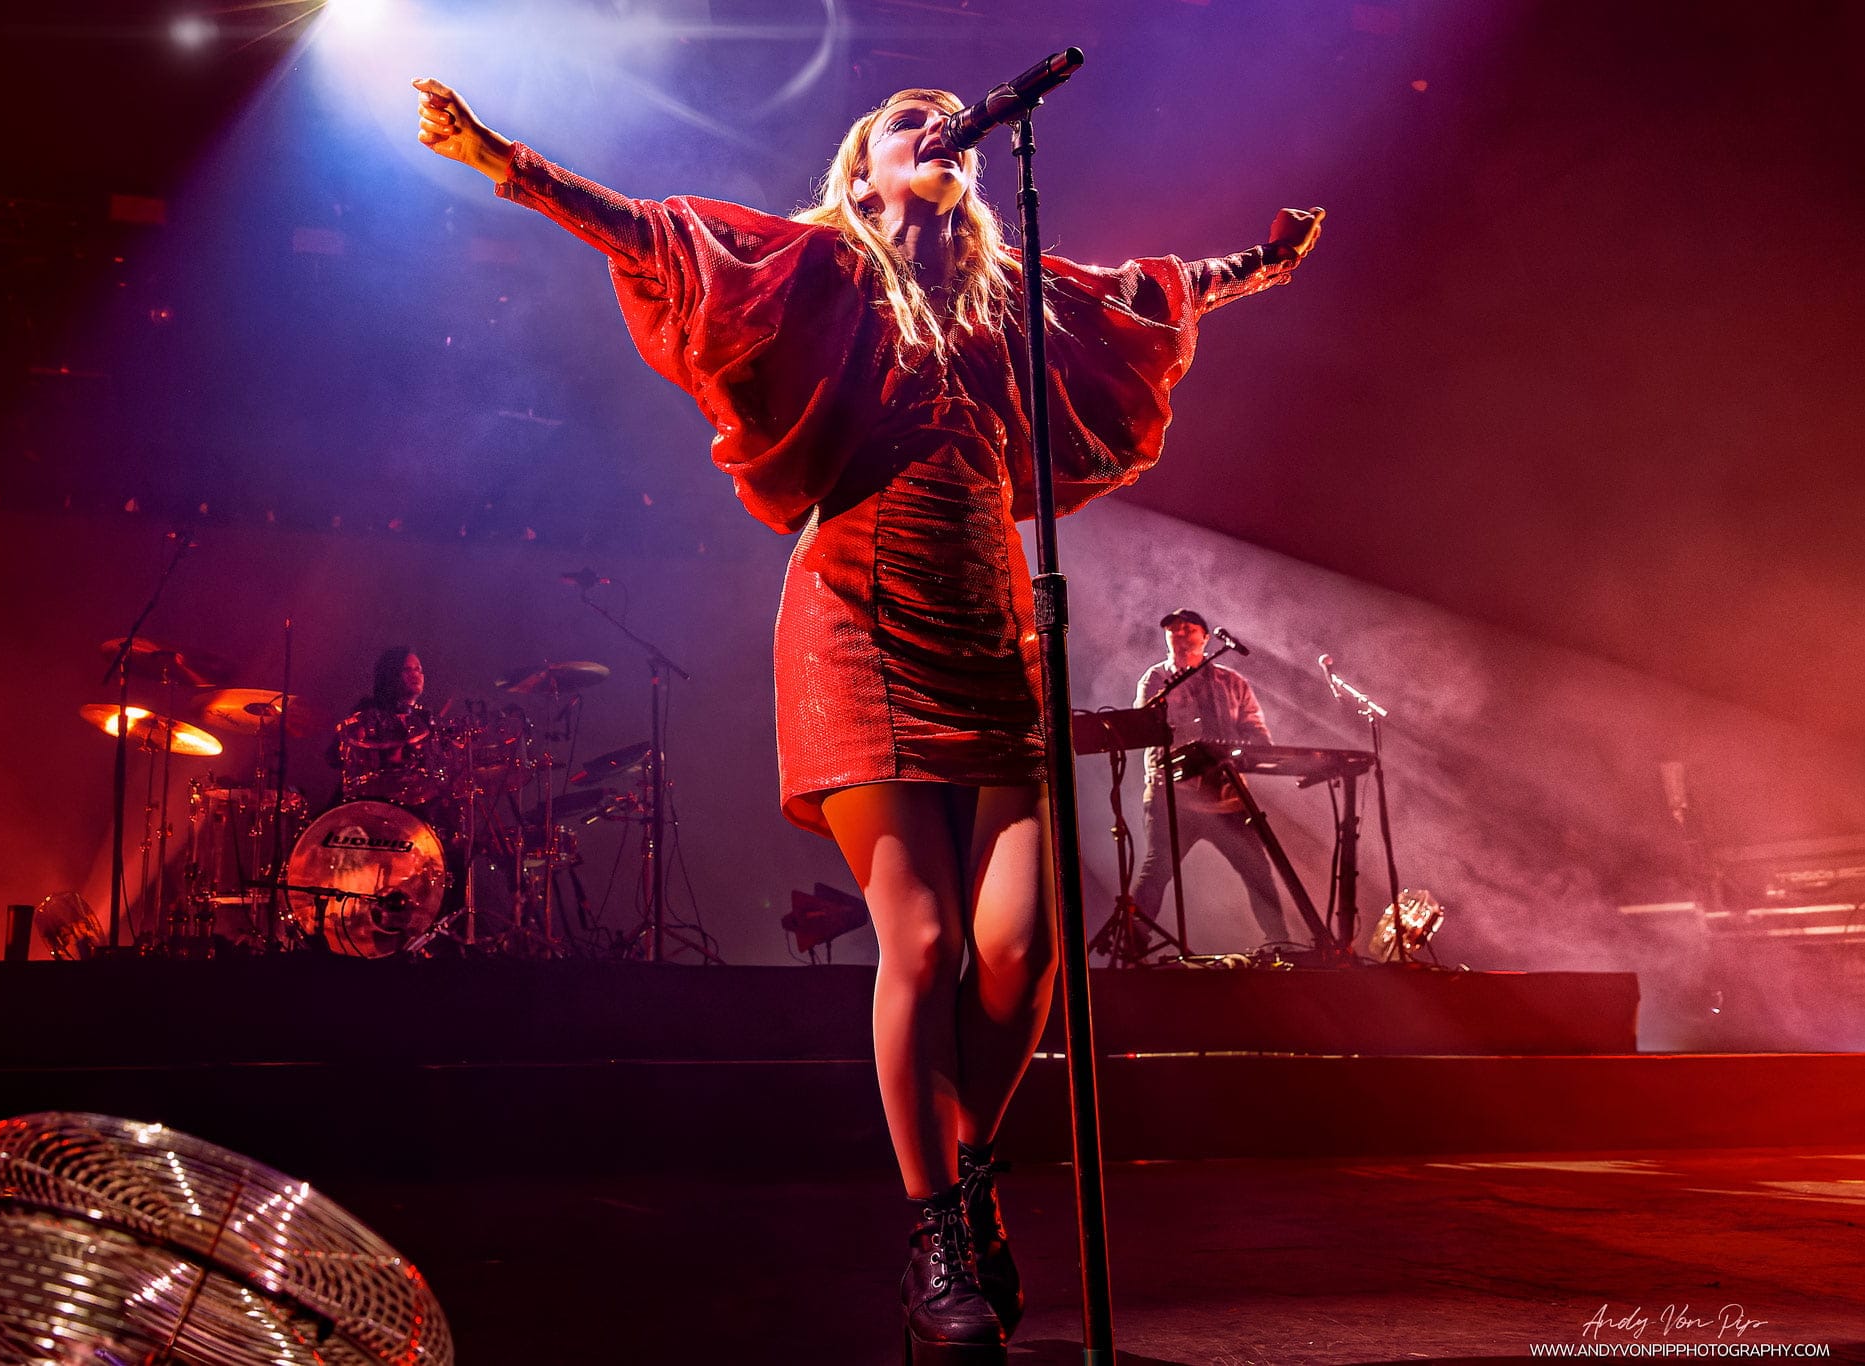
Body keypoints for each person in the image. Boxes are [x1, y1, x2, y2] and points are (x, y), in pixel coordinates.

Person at [414, 76, 1322, 1362]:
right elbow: (667, 244)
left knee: (1027, 950)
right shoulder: (820, 268)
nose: (936, 128)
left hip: (994, 624)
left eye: (949, 117)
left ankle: (964, 1186)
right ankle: (940, 1237)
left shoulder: (1012, 295)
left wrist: (1259, 267)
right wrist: (513, 162)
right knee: (930, 935)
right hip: (853, 618)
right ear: (861, 165)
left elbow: (1139, 295)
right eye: (908, 119)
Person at [1128, 609, 1288, 947]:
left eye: (1187, 628)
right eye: (1172, 629)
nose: (1179, 633)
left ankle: (1282, 945)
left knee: (1258, 874)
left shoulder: (1232, 682)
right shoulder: (1156, 680)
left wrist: (1243, 753)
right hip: (1175, 797)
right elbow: (1143, 728)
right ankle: (1131, 943)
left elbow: (1258, 735)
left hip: (1227, 799)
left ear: (1205, 637)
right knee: (1156, 873)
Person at [330, 647, 441, 807]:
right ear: (391, 675)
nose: (415, 674)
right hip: (372, 805)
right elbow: (334, 756)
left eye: (418, 669)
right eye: (407, 669)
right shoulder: (368, 712)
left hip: (416, 804)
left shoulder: (423, 719)